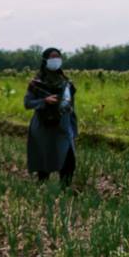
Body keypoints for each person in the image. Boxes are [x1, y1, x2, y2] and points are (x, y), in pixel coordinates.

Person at [24, 47, 78, 187]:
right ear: (45, 61)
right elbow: (28, 103)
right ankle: (42, 190)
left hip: (63, 125)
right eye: (52, 57)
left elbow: (72, 107)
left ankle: (65, 191)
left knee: (69, 160)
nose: (56, 60)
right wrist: (44, 101)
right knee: (44, 160)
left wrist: (74, 127)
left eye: (58, 57)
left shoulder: (67, 83)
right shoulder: (36, 83)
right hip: (43, 126)